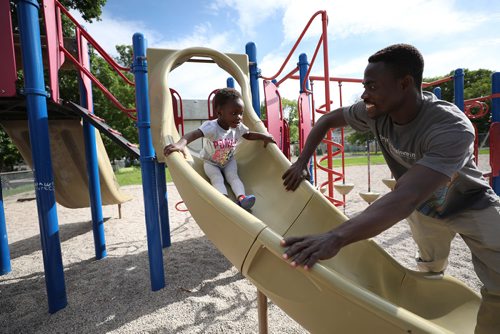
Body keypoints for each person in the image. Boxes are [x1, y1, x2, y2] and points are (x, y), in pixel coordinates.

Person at [281, 44, 500, 333]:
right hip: (426, 209)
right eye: (364, 86)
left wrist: (336, 237)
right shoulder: (375, 112)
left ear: (405, 83)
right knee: (430, 270)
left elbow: (405, 197)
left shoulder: (450, 127)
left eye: (372, 86)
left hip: (470, 203)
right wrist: (301, 162)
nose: (364, 94)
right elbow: (326, 120)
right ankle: (428, 306)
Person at [164, 87, 275, 210]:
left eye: (241, 113)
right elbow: (193, 134)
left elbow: (248, 135)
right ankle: (224, 199)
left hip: (229, 161)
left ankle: (242, 198)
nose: (238, 117)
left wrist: (264, 136)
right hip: (211, 162)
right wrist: (180, 144)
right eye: (234, 113)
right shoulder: (212, 127)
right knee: (217, 178)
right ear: (220, 112)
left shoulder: (238, 127)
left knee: (233, 177)